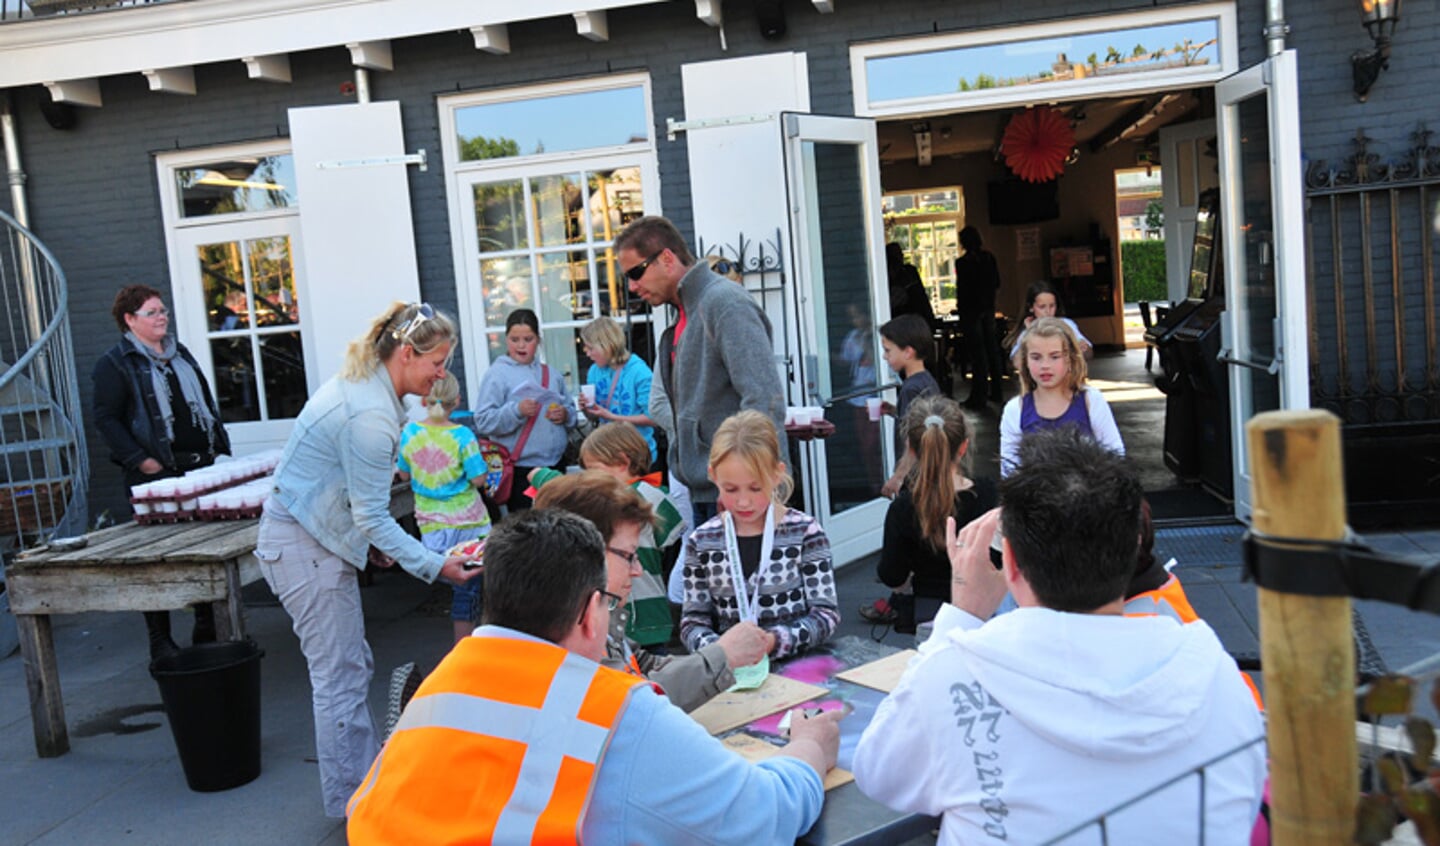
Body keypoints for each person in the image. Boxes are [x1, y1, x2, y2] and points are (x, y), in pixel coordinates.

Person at [853, 429, 1267, 844]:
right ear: (1134, 549)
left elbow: (877, 775)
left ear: (1010, 561)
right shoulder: (1214, 669)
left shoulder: (952, 672)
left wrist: (960, 617)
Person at [346, 508, 841, 844]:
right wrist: (810, 746)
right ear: (590, 612)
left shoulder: (444, 682)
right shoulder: (614, 708)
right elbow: (762, 817)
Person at [255, 301, 481, 818]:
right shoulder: (371, 416)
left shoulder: (369, 390)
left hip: (309, 537)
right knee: (339, 678)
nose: (442, 373)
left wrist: (375, 546)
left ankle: (359, 791)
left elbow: (357, 507)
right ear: (406, 353)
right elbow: (373, 516)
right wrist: (435, 565)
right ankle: (355, 807)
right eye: (437, 362)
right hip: (303, 546)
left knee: (350, 669)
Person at [532, 471, 772, 712]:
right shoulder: (567, 635)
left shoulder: (583, 611)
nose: (638, 570)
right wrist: (722, 656)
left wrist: (718, 661)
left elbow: (639, 665)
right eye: (629, 556)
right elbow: (635, 702)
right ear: (584, 553)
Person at [615, 216, 787, 528]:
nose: (632, 286)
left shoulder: (724, 303)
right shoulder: (688, 314)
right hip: (711, 490)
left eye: (636, 273)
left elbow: (764, 399)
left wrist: (744, 487)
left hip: (737, 494)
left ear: (667, 258)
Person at [92, 284, 232, 660]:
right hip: (153, 476)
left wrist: (217, 445)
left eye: (163, 310)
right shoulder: (115, 362)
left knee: (201, 549)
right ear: (129, 320)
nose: (162, 317)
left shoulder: (178, 353)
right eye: (152, 312)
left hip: (196, 467)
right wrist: (141, 459)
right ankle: (160, 637)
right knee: (153, 559)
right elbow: (106, 419)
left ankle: (205, 621)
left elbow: (203, 398)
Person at [680, 411, 839, 660]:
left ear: (777, 475)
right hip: (730, 679)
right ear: (713, 476)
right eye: (730, 489)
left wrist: (775, 641)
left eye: (756, 488)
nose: (744, 501)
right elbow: (693, 622)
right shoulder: (702, 541)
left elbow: (826, 614)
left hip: (797, 674)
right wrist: (721, 652)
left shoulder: (805, 532)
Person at [530, 422, 686, 647]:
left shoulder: (646, 495)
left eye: (593, 470)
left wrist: (542, 476)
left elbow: (603, 499)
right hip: (627, 615)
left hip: (644, 612)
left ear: (623, 462)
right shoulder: (654, 494)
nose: (588, 479)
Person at [860, 396, 997, 632]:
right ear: (963, 447)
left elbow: (893, 576)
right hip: (985, 614)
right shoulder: (988, 495)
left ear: (912, 449)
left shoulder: (903, 508)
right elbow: (999, 561)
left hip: (929, 617)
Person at [396, 372, 491, 645]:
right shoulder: (463, 436)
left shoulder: (410, 433)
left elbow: (403, 474)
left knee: (457, 586)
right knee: (470, 589)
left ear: (425, 399)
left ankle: (466, 648)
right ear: (457, 400)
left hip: (432, 527)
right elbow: (478, 479)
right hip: (468, 525)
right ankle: (466, 649)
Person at [471, 308, 577, 512]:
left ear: (538, 340)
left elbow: (571, 413)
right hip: (521, 469)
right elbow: (483, 420)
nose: (521, 345)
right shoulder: (496, 375)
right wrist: (516, 411)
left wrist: (565, 415)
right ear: (506, 340)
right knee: (528, 532)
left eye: (527, 339)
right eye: (514, 339)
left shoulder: (552, 374)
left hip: (555, 465)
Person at [999, 316, 1123, 476]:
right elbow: (1009, 471)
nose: (1045, 365)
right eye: (1036, 357)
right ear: (1025, 361)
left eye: (1055, 356)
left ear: (1070, 359)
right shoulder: (1015, 410)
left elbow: (1116, 456)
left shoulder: (1091, 400)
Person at [578, 316, 659, 465]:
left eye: (590, 348)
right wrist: (586, 408)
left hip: (637, 457)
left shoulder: (639, 372)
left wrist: (612, 416)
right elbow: (594, 417)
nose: (587, 353)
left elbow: (654, 418)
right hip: (607, 457)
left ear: (606, 346)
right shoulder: (594, 371)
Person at [878, 314, 940, 498]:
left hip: (916, 478)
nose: (884, 356)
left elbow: (915, 438)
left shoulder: (910, 389)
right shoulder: (926, 381)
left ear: (908, 352)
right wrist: (893, 410)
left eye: (888, 350)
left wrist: (898, 477)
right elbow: (921, 418)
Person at [953, 226, 1005, 409]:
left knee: (977, 355)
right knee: (992, 350)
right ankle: (997, 391)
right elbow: (997, 282)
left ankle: (979, 395)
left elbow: (962, 291)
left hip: (971, 312)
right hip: (988, 308)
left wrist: (960, 311)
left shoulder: (962, 263)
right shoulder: (989, 258)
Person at [1006, 279, 1093, 366]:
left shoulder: (1066, 324)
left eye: (1052, 306)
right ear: (1031, 307)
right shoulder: (1026, 332)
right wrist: (1029, 334)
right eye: (1042, 307)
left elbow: (1088, 353)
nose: (1048, 311)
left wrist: (1082, 349)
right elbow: (1017, 363)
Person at [885, 242, 935, 329]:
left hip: (916, 317)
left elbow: (921, 297)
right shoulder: (886, 278)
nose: (900, 258)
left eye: (900, 254)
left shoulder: (909, 272)